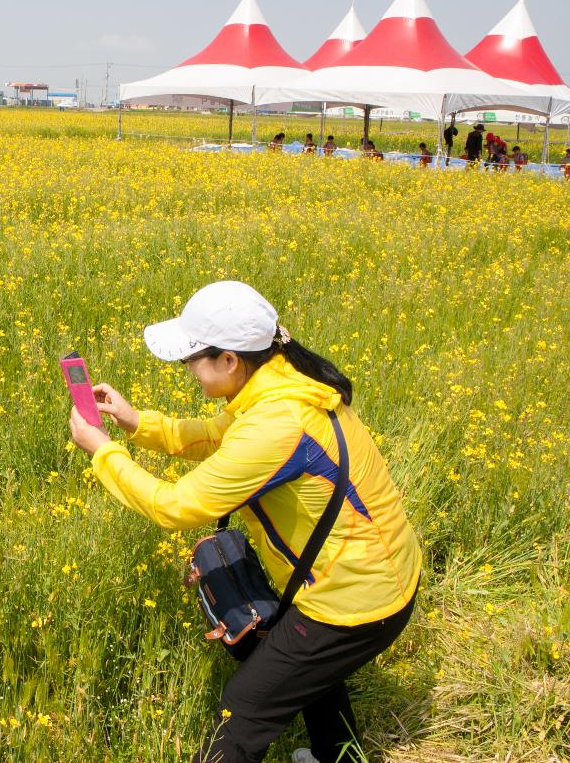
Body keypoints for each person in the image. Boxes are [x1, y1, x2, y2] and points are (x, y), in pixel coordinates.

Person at [68, 281, 421, 763]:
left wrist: (102, 451)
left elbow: (174, 506)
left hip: (354, 604)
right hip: (369, 582)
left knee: (244, 708)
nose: (189, 371)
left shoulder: (276, 425)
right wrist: (135, 423)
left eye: (192, 360)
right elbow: (214, 436)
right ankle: (335, 756)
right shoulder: (282, 385)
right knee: (309, 672)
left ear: (230, 360)